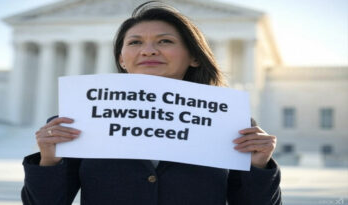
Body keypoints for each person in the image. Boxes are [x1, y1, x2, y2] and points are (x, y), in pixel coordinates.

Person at [21, 1, 282, 205]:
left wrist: (259, 166)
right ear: (122, 60)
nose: (148, 50)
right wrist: (49, 161)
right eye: (135, 42)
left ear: (194, 57)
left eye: (164, 41)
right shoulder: (77, 119)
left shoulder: (231, 123)